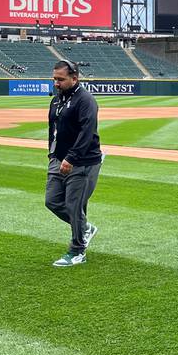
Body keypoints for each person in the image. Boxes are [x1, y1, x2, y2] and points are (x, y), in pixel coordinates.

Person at [46, 60, 103, 267]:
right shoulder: (56, 100)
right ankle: (85, 227)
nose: (56, 83)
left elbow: (87, 132)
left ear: (74, 78)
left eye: (60, 79)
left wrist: (71, 158)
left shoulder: (85, 100)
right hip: (58, 158)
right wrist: (52, 153)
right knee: (51, 201)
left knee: (73, 205)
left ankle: (78, 251)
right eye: (54, 79)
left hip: (83, 161)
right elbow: (53, 129)